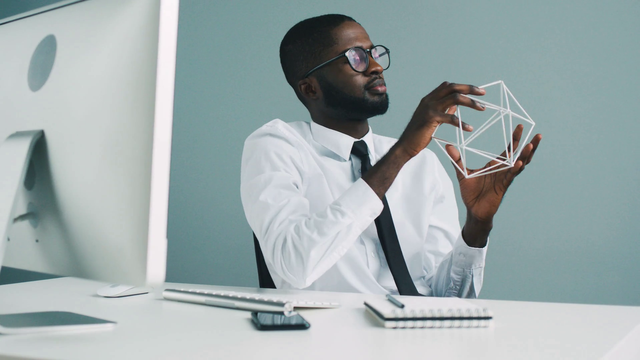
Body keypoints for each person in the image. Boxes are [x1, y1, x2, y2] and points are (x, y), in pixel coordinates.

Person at [240, 14, 541, 297]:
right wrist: (402, 152)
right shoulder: (277, 145)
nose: (375, 66)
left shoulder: (423, 165)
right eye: (356, 58)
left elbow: (446, 298)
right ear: (310, 88)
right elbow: (293, 267)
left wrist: (477, 225)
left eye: (374, 53)